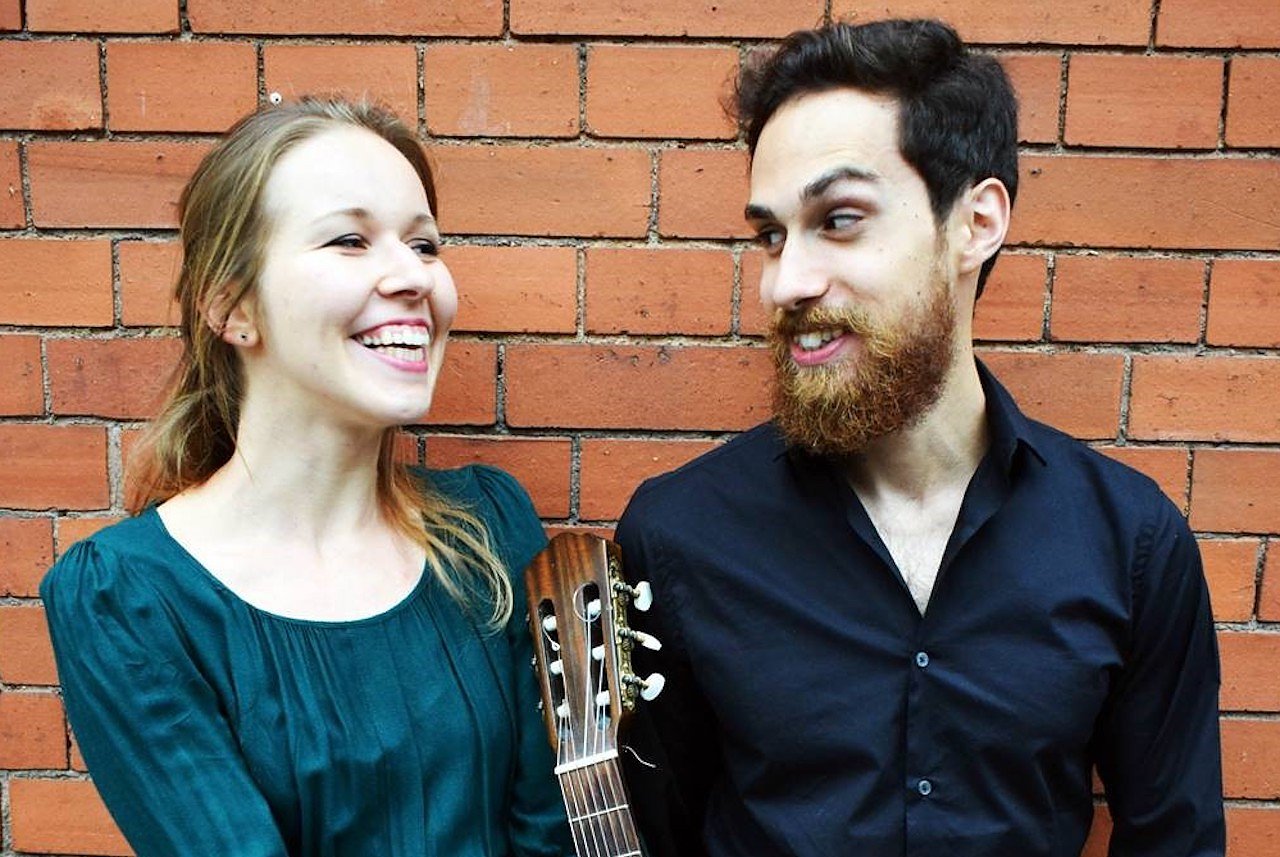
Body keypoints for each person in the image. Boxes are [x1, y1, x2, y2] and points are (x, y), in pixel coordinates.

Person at [616, 19, 1224, 857]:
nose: (785, 282)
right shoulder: (679, 536)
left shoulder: (1131, 544)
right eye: (771, 235)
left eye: (839, 219)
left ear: (976, 222)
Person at [41, 97, 572, 857]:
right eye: (350, 240)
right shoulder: (127, 599)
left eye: (425, 245)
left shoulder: (489, 529)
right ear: (233, 307)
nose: (413, 276)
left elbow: (554, 828)